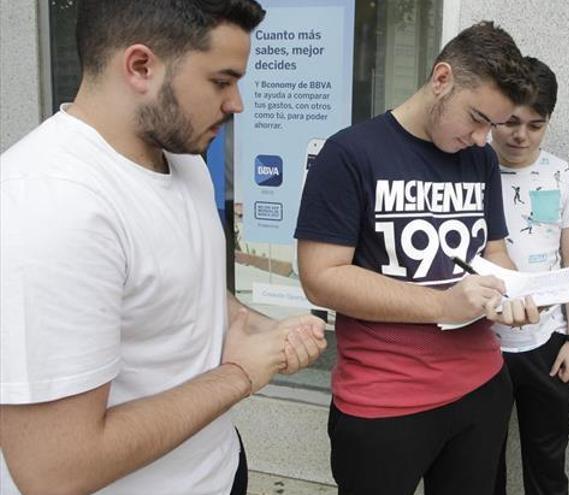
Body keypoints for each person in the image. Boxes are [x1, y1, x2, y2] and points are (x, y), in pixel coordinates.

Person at [0, 2, 327, 494]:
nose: (238, 103)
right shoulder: (50, 207)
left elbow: (185, 292)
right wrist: (240, 374)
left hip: (217, 468)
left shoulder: (181, 154)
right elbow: (55, 470)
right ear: (140, 66)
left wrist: (255, 326)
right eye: (221, 81)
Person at [295, 21, 540, 495]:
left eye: (494, 125)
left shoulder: (480, 161)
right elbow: (320, 279)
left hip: (481, 388)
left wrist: (521, 292)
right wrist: (443, 306)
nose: (481, 137)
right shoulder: (348, 153)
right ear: (442, 78)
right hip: (383, 400)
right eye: (476, 118)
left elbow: (493, 252)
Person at [489, 57, 569, 495]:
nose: (520, 135)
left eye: (535, 125)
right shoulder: (467, 168)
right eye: (511, 121)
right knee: (479, 463)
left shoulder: (561, 174)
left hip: (547, 344)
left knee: (547, 463)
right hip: (479, 343)